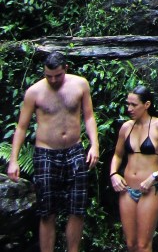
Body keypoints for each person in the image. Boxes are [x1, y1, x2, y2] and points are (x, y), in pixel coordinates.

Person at [6, 51, 100, 252]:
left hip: (74, 149)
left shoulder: (80, 84)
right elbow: (21, 127)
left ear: (65, 68)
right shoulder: (35, 92)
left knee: (78, 208)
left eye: (57, 75)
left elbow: (89, 116)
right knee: (47, 211)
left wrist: (94, 145)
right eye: (49, 76)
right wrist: (13, 160)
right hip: (46, 152)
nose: (53, 80)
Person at [109, 85, 158, 252]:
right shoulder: (126, 127)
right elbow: (117, 155)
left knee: (143, 245)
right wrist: (114, 173)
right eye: (127, 104)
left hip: (150, 189)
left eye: (134, 105)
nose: (129, 109)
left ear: (147, 104)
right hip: (127, 189)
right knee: (131, 244)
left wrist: (155, 176)